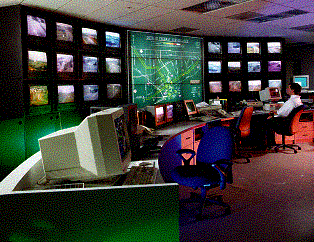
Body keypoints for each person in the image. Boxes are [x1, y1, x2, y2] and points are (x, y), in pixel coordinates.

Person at [266, 82, 303, 147]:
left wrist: (272, 115)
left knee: (266, 121)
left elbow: (281, 113)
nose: (287, 89)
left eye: (288, 88)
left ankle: (268, 144)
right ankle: (271, 143)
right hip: (290, 123)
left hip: (285, 124)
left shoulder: (291, 101)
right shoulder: (298, 100)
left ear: (292, 90)